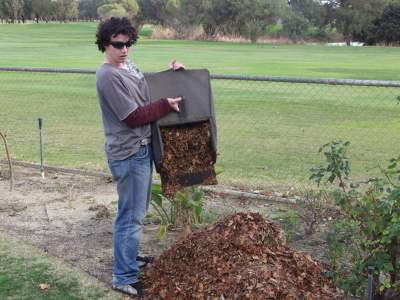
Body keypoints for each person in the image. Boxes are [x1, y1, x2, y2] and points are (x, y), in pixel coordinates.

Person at [95, 17, 183, 296]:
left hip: (141, 150)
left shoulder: (126, 66)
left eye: (128, 43)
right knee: (130, 217)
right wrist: (164, 106)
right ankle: (123, 276)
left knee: (135, 213)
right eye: (118, 44)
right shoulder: (108, 75)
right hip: (128, 153)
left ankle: (128, 258)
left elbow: (145, 89)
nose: (124, 49)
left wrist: (173, 74)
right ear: (104, 44)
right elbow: (134, 116)